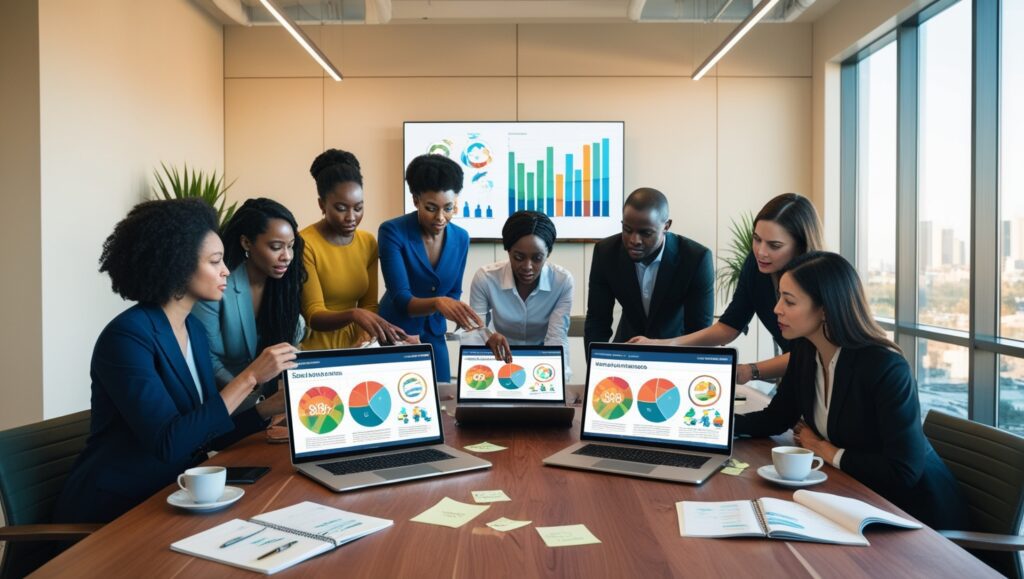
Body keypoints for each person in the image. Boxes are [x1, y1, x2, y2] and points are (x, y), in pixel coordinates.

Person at [54, 199, 296, 524]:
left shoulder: (193, 329)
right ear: (179, 265)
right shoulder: (127, 338)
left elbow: (205, 430)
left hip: (174, 494)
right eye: (215, 261)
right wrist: (250, 378)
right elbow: (169, 442)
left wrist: (270, 407)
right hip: (115, 509)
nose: (226, 270)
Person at [735, 251, 967, 530]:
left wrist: (825, 450)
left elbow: (903, 471)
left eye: (789, 301)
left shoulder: (884, 367)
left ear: (824, 309)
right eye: (780, 297)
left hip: (915, 515)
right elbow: (775, 419)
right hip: (855, 497)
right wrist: (714, 426)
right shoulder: (806, 350)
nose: (777, 309)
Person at [629, 193, 823, 384]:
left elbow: (813, 354)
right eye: (756, 239)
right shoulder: (755, 267)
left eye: (774, 245)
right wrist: (663, 345)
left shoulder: (822, 281)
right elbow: (728, 327)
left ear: (800, 246)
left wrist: (751, 371)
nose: (761, 252)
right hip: (799, 376)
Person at [192, 198, 306, 412]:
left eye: (291, 247)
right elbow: (207, 359)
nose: (287, 257)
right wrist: (255, 397)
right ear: (246, 243)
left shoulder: (285, 286)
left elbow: (291, 348)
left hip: (273, 405)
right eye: (276, 247)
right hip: (224, 403)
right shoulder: (217, 287)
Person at [378, 154, 482, 382]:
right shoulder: (392, 231)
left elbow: (453, 292)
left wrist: (458, 314)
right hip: (397, 332)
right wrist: (438, 303)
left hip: (434, 334)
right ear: (415, 200)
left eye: (449, 208)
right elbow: (401, 297)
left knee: (443, 396)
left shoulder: (461, 237)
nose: (441, 217)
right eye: (431, 208)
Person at [300, 149, 408, 349]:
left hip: (358, 345)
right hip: (317, 347)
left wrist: (365, 335)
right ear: (322, 204)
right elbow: (313, 315)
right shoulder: (305, 244)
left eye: (358, 208)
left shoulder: (367, 242)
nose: (351, 217)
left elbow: (369, 306)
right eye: (341, 208)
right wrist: (354, 314)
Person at [584, 187, 714, 351]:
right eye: (627, 230)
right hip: (627, 350)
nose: (634, 240)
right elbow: (597, 320)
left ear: (666, 226)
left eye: (645, 233)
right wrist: (596, 365)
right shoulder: (606, 253)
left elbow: (699, 330)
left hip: (675, 352)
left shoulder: (696, 259)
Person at [469, 211, 574, 378]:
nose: (527, 266)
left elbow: (557, 337)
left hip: (542, 362)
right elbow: (474, 333)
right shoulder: (486, 278)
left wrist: (560, 379)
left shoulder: (562, 281)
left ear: (548, 253)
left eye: (537, 258)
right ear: (508, 250)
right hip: (500, 359)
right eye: (518, 257)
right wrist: (487, 339)